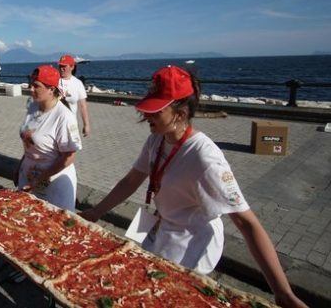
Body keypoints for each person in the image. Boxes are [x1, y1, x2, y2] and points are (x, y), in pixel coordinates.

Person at [80, 66, 306, 308]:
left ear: (181, 112)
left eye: (157, 111)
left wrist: (282, 292)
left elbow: (246, 223)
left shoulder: (205, 159)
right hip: (164, 229)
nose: (148, 116)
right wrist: (95, 212)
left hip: (193, 245)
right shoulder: (156, 139)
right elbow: (131, 181)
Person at [16, 65, 82, 211]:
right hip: (29, 176)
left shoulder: (64, 117)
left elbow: (69, 157)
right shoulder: (33, 106)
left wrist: (40, 180)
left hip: (54, 181)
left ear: (51, 89)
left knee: (53, 226)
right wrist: (20, 167)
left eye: (36, 86)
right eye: (30, 84)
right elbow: (29, 142)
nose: (30, 89)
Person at [58, 54, 91, 137]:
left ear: (72, 67)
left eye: (64, 66)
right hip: (54, 125)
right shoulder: (54, 80)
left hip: (70, 125)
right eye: (60, 66)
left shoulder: (77, 83)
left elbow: (83, 106)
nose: (61, 68)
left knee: (71, 149)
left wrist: (86, 125)